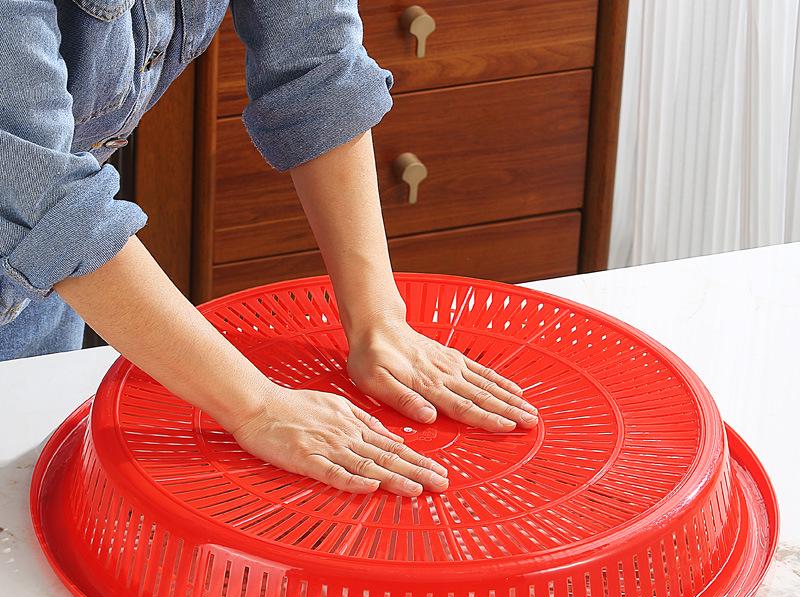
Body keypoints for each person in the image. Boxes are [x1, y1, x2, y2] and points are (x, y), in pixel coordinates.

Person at [0, 0, 538, 496]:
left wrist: (380, 321)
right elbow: (42, 196)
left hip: (45, 288)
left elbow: (317, 67)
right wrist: (255, 407)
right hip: (47, 248)